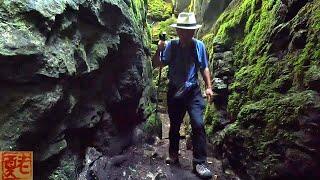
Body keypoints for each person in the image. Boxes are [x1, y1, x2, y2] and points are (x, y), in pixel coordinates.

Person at [152, 12, 214, 179]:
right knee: (174, 124)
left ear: (194, 31)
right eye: (184, 30)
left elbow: (204, 67)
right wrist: (159, 50)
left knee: (198, 124)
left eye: (190, 30)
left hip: (193, 91)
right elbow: (156, 64)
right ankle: (173, 154)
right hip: (174, 91)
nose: (187, 34)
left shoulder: (199, 45)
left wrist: (208, 87)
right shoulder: (171, 46)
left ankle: (200, 162)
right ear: (178, 30)